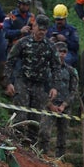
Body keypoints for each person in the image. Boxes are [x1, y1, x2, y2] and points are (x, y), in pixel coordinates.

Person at [6, 14, 61, 153]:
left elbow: (56, 67)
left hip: (39, 86)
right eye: (39, 28)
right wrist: (8, 82)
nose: (41, 32)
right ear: (34, 27)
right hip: (23, 82)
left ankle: (31, 151)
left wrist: (54, 87)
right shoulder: (23, 42)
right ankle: (15, 146)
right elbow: (10, 61)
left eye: (44, 29)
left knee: (35, 120)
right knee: (21, 116)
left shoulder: (50, 46)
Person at [47, 41, 79, 158]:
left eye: (64, 52)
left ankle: (60, 161)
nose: (61, 54)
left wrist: (64, 105)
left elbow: (74, 90)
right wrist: (50, 105)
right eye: (59, 51)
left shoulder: (71, 71)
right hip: (48, 106)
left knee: (63, 137)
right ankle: (41, 157)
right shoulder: (46, 69)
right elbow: (41, 88)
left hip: (64, 107)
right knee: (44, 133)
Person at [46, 4, 80, 68]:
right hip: (53, 52)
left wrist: (65, 40)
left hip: (68, 53)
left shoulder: (72, 30)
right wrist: (49, 41)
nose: (59, 22)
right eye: (57, 19)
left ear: (65, 18)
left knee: (66, 59)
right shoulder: (50, 30)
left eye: (61, 20)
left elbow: (76, 47)